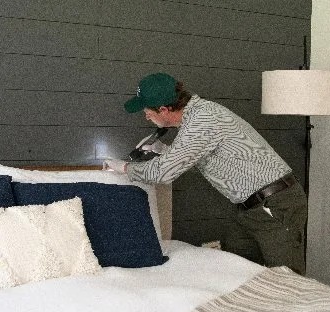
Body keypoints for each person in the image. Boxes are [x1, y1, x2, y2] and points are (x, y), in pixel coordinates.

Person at [103, 72, 308, 275]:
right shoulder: (197, 115)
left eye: (147, 111)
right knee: (239, 269)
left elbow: (162, 173)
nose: (146, 116)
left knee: (287, 277)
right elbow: (200, 159)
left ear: (164, 110)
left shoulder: (201, 121)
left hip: (275, 205)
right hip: (251, 208)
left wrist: (123, 168)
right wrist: (163, 150)